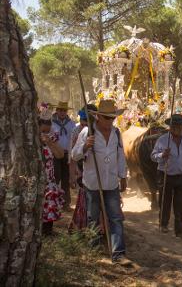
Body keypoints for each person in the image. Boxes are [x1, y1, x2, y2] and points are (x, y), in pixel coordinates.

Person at [72, 99, 130, 265]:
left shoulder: (116, 133)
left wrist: (123, 176)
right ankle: (94, 251)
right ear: (98, 117)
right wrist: (85, 147)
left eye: (112, 118)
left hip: (111, 182)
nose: (110, 122)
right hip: (92, 182)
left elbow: (120, 156)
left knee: (116, 218)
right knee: (93, 217)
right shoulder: (86, 133)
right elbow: (74, 155)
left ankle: (118, 253)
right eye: (106, 118)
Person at [68, 105, 97, 233]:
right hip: (83, 170)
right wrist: (73, 174)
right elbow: (73, 155)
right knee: (85, 199)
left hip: (99, 173)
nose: (84, 123)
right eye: (83, 119)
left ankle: (99, 229)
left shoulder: (100, 130)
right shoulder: (77, 131)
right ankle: (83, 227)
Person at [39, 104, 65, 236]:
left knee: (49, 205)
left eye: (49, 123)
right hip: (35, 180)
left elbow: (60, 155)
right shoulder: (30, 140)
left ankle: (48, 232)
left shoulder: (52, 137)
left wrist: (49, 142)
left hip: (49, 180)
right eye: (43, 124)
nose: (47, 127)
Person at [51, 101, 76, 210]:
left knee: (66, 178)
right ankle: (54, 202)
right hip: (55, 154)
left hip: (67, 154)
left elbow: (74, 138)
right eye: (60, 110)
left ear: (67, 112)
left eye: (64, 110)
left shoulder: (71, 124)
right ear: (56, 111)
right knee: (56, 177)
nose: (62, 112)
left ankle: (66, 203)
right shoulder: (51, 123)